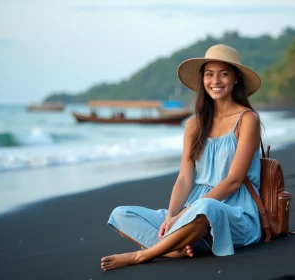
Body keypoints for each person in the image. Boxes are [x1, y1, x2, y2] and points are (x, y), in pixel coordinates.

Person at [101, 44, 262, 271]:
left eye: (224, 74)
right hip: (192, 212)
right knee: (121, 214)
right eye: (209, 74)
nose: (215, 80)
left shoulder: (248, 119)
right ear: (202, 80)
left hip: (234, 213)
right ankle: (178, 247)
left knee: (206, 207)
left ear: (235, 79)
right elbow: (185, 178)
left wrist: (186, 214)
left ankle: (144, 255)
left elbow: (234, 180)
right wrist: (173, 217)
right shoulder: (194, 124)